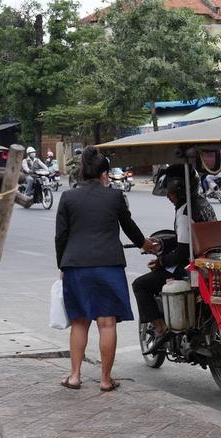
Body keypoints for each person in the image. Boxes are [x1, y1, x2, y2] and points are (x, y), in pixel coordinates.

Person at [55, 146, 156, 391]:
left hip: (76, 266)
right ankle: (104, 380)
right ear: (104, 174)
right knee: (106, 323)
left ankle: (75, 376)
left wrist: (62, 265)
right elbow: (129, 227)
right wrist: (146, 244)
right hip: (108, 266)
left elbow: (61, 236)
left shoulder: (68, 197)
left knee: (79, 322)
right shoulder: (114, 196)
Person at [132, 162, 217, 355]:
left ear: (180, 190)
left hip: (191, 267)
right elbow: (184, 239)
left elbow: (182, 252)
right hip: (209, 260)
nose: (169, 197)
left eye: (171, 193)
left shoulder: (185, 212)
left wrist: (160, 261)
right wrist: (162, 245)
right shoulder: (202, 203)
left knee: (140, 285)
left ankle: (161, 328)